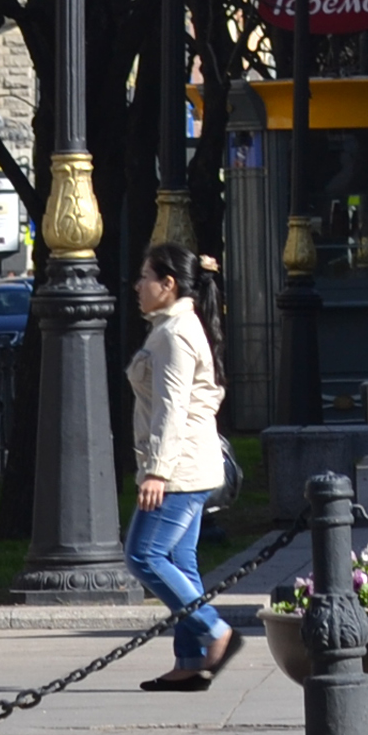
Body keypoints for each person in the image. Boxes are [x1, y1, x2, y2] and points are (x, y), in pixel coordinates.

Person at [127, 241, 240, 690]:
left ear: (168, 284)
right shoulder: (179, 325)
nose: (138, 286)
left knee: (144, 554)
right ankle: (191, 661)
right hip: (191, 465)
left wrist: (157, 470)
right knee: (180, 560)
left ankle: (213, 629)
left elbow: (171, 408)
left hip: (179, 472)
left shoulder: (174, 333)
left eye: (146, 277)